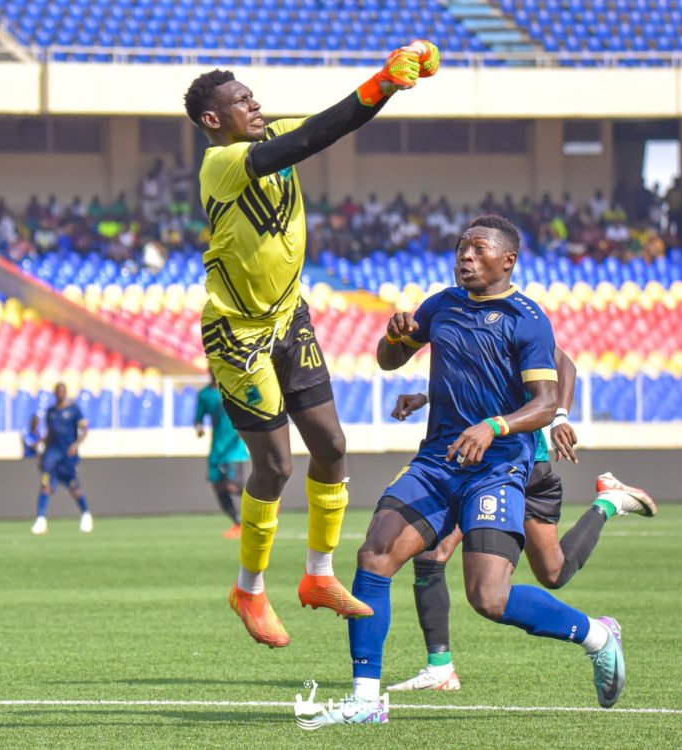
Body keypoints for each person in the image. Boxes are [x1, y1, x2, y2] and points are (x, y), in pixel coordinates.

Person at [295, 215, 629, 730]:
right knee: (374, 554)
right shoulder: (440, 305)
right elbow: (389, 361)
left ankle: (597, 637)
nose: (465, 257)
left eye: (477, 249)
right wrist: (394, 337)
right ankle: (366, 698)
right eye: (460, 249)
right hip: (437, 460)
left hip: (497, 468)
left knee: (489, 598)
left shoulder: (527, 319)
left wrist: (493, 427)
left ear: (507, 260)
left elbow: (542, 404)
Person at [183, 41, 440, 649]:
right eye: (241, 101)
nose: (255, 104)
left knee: (331, 445)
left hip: (288, 318)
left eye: (253, 96)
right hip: (237, 333)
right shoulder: (222, 163)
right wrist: (380, 81)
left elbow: (333, 122)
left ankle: (318, 578)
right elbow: (303, 143)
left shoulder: (272, 136)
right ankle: (248, 589)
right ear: (212, 120)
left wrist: (390, 84)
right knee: (274, 464)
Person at [384, 371, 656, 692]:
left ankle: (608, 503)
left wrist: (559, 419)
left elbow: (563, 364)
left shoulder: (521, 322)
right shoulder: (472, 325)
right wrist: (427, 396)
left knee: (553, 573)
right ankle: (440, 668)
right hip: (479, 464)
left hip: (521, 464)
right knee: (435, 553)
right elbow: (471, 378)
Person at [30, 383, 93, 536]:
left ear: (65, 393)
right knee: (45, 485)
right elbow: (50, 435)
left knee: (73, 486)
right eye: (57, 392)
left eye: (62, 392)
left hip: (67, 455)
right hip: (52, 455)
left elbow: (84, 431)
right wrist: (38, 439)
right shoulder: (51, 412)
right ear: (55, 394)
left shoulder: (73, 410)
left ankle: (86, 514)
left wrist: (76, 445)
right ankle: (41, 520)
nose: (60, 394)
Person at [195, 373, 250, 539]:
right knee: (218, 486)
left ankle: (265, 498)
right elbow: (198, 418)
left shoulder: (234, 388)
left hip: (233, 447)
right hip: (216, 449)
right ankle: (238, 522)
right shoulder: (204, 394)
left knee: (233, 486)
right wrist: (199, 428)